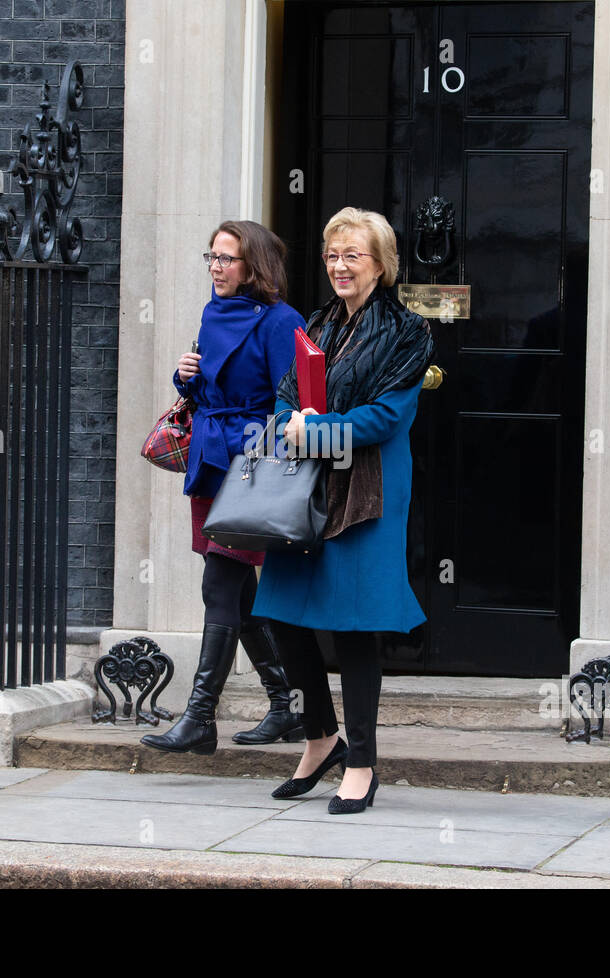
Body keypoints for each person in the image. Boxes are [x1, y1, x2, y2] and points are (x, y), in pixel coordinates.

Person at [252, 207, 434, 813]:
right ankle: (318, 735)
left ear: (380, 266)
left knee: (355, 627)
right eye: (332, 255)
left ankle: (361, 761)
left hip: (369, 493)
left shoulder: (407, 332)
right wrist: (291, 427)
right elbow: (282, 401)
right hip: (306, 491)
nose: (339, 265)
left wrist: (315, 432)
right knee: (281, 612)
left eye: (352, 255)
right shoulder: (318, 323)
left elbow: (385, 420)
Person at [141, 221, 308, 755]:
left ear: (253, 266)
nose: (215, 267)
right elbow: (211, 390)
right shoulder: (214, 313)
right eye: (210, 256)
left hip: (251, 465)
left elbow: (295, 401)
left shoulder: (282, 322)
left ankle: (199, 718)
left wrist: (258, 448)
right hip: (213, 461)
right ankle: (286, 705)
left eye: (226, 258)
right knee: (238, 590)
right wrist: (186, 375)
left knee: (220, 583)